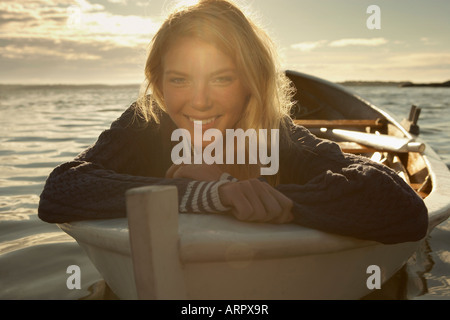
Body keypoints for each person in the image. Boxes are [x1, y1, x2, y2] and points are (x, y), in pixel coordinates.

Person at [38, 0, 428, 244]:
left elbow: (401, 208)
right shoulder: (146, 123)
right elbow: (61, 188)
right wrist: (212, 196)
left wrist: (256, 196)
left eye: (222, 78)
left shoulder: (277, 134)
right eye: (179, 79)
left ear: (250, 84)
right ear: (158, 83)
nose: (199, 100)